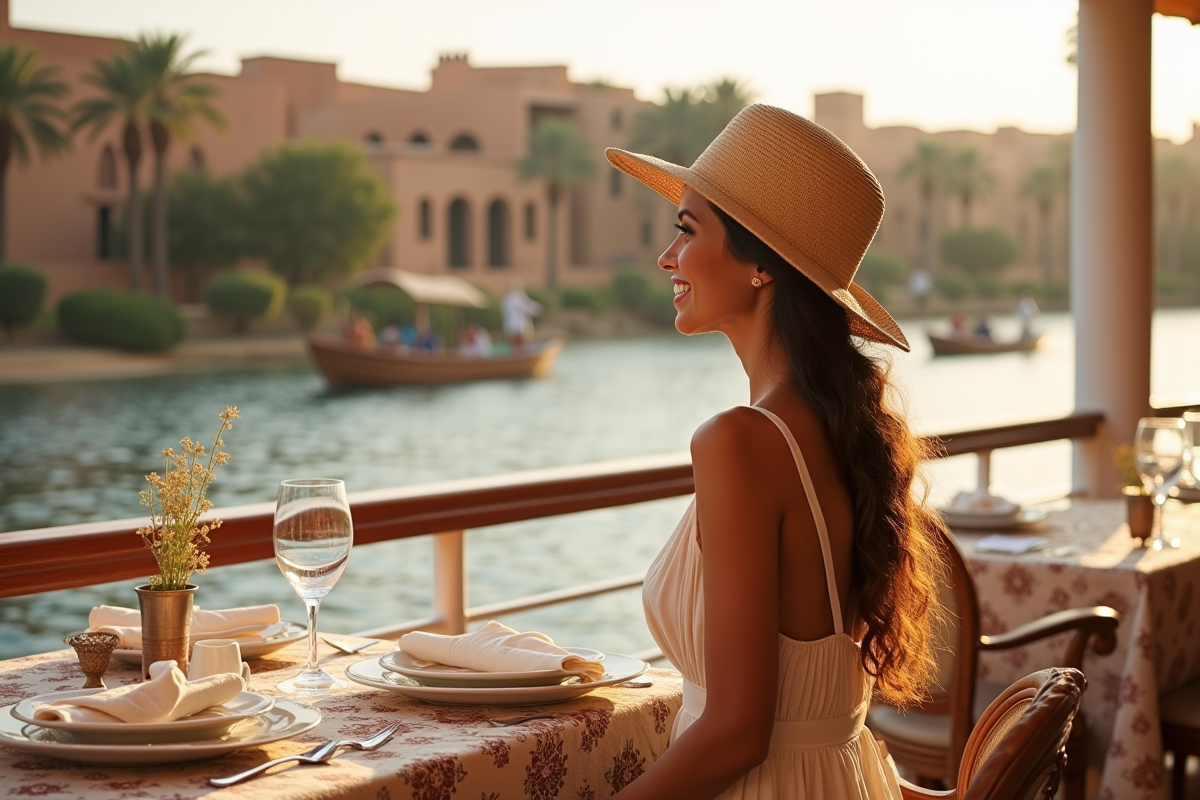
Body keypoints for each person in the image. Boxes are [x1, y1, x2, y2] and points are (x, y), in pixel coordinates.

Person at [605, 105, 946, 799]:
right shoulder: (835, 426)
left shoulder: (741, 442)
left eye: (686, 230)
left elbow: (737, 733)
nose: (667, 257)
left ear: (760, 262)